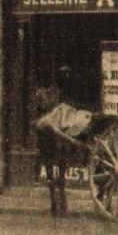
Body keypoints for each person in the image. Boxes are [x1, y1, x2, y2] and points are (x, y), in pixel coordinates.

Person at [33, 67, 74, 217]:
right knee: (58, 170)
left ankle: (56, 204)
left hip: (49, 137)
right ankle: (60, 202)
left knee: (52, 170)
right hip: (57, 136)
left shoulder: (44, 94)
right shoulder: (57, 94)